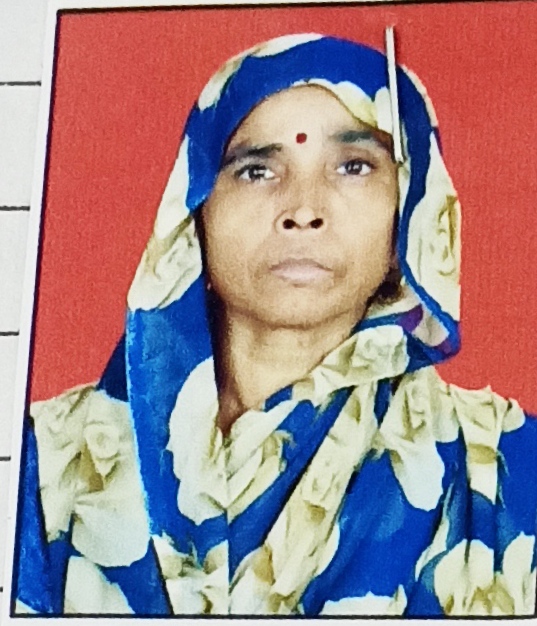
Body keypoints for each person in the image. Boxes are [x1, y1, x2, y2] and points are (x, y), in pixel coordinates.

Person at [12, 33, 537, 617]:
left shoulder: (506, 472)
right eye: (257, 170)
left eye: (354, 167)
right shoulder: (42, 462)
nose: (303, 210)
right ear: (194, 211)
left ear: (409, 212)